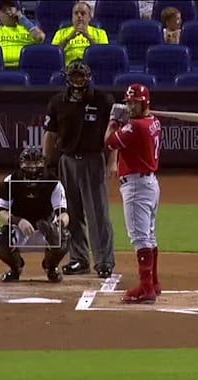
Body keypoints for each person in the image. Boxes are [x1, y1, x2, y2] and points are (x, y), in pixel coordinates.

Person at [43, 60, 118, 279]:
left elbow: (113, 134)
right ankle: (79, 258)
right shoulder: (58, 101)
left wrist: (112, 161)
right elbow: (50, 134)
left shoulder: (103, 100)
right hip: (66, 160)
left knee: (98, 214)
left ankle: (104, 260)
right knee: (71, 213)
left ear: (88, 77)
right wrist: (48, 162)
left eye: (80, 76)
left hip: (93, 160)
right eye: (74, 76)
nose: (77, 80)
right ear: (67, 78)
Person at [103, 84, 162, 304]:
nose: (130, 105)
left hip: (137, 186)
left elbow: (109, 142)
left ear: (144, 103)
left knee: (140, 237)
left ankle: (146, 288)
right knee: (149, 234)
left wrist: (114, 121)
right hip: (149, 184)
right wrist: (125, 120)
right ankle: (153, 283)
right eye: (128, 102)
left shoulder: (135, 127)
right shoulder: (153, 121)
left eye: (134, 102)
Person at [0, 147, 71, 283]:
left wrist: (57, 226)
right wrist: (18, 221)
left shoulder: (52, 182)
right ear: (21, 165)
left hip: (45, 231)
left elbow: (63, 214)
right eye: (28, 164)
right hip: (19, 231)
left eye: (36, 164)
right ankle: (15, 268)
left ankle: (50, 267)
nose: (32, 168)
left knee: (63, 236)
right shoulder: (11, 181)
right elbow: (1, 213)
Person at [0, 0, 45, 68]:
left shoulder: (28, 29)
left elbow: (40, 38)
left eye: (10, 9)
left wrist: (23, 20)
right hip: (2, 67)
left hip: (26, 67)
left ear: (17, 12)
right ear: (0, 16)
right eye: (4, 10)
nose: (8, 12)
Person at [52, 1, 109, 66]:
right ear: (72, 17)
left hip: (91, 67)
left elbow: (103, 55)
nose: (79, 16)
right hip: (68, 68)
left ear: (89, 17)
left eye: (83, 13)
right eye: (76, 13)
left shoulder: (100, 33)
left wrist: (88, 37)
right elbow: (54, 55)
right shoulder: (60, 33)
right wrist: (68, 38)